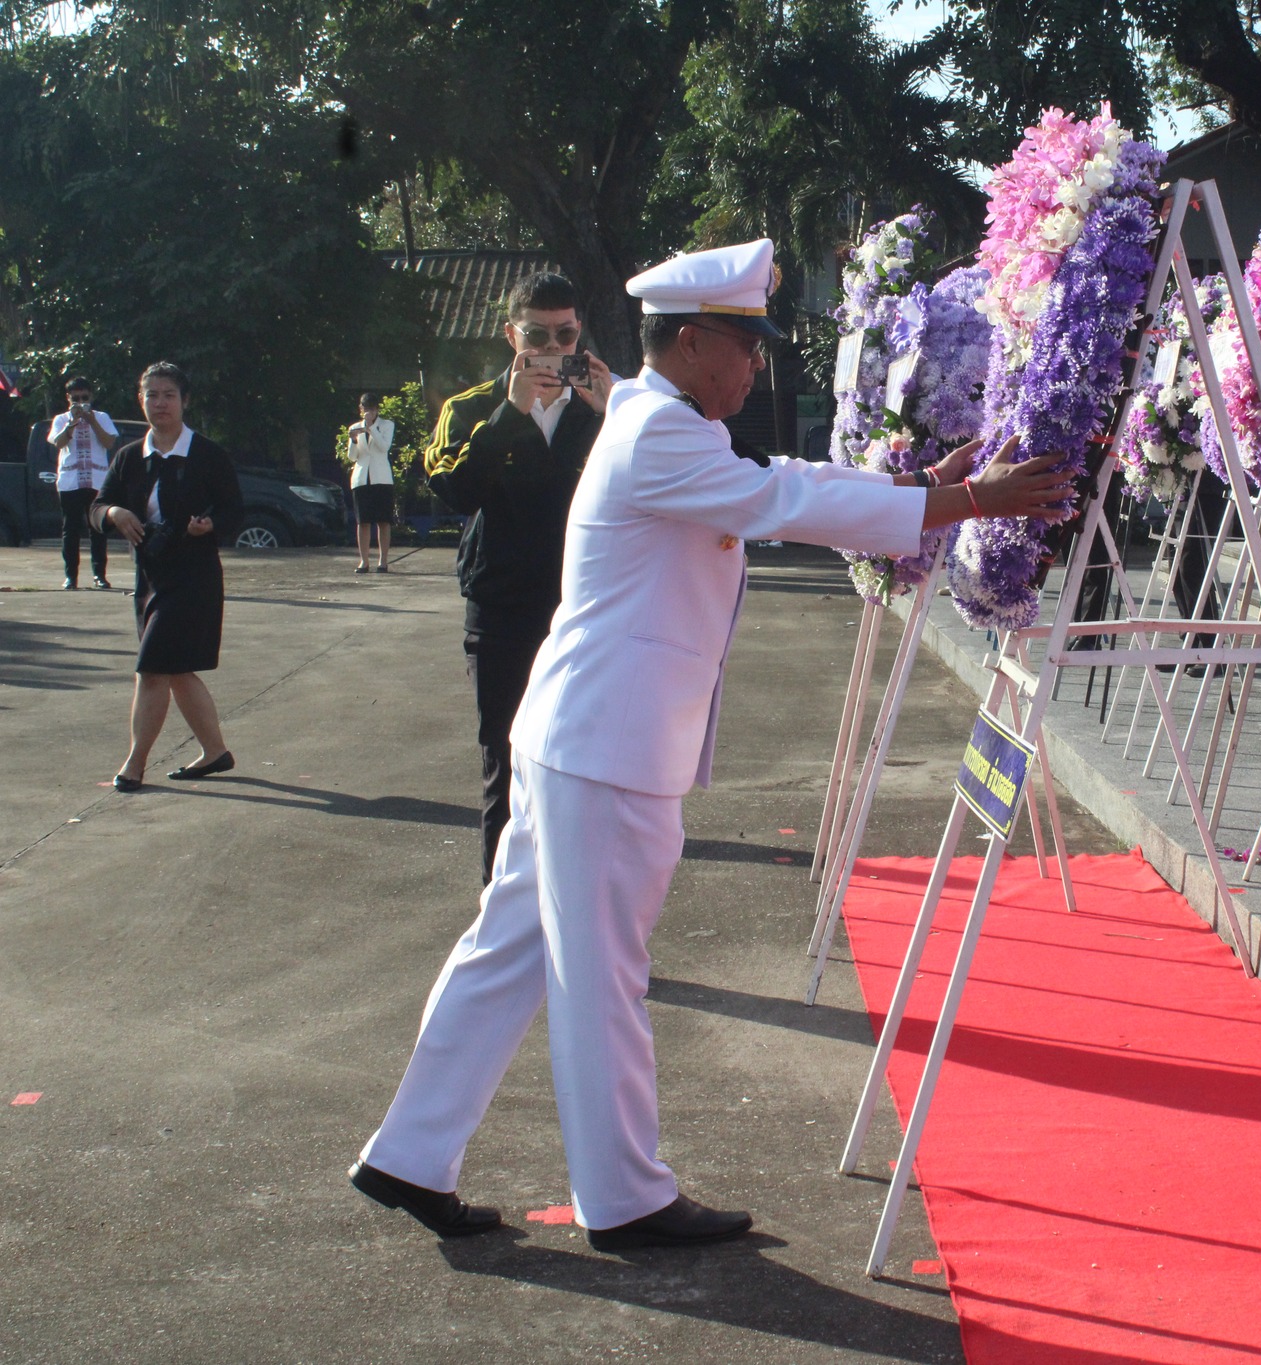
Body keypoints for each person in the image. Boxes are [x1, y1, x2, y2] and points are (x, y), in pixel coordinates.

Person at [349, 239, 1071, 1250]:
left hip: (582, 735)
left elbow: (777, 477)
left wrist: (917, 486)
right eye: (747, 344)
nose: (757, 364)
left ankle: (409, 1155)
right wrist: (963, 501)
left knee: (508, 951)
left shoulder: (661, 421)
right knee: (598, 977)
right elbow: (784, 503)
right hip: (606, 748)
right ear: (691, 343)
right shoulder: (658, 432)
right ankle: (624, 1198)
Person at [424, 272, 613, 881]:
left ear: (580, 332)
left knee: (588, 769)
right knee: (504, 765)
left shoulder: (607, 404)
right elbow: (451, 489)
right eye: (537, 336)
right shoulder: (471, 408)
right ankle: (501, 913)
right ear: (512, 336)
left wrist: (615, 417)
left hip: (586, 611)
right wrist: (511, 413)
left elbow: (656, 486)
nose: (553, 349)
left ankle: (579, 910)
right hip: (502, 610)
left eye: (565, 335)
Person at [92, 362, 244, 791]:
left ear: (184, 401)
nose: (160, 403)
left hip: (194, 577)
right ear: (140, 400)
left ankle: (134, 764)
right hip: (150, 579)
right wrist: (114, 513)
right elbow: (97, 508)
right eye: (152, 395)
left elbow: (234, 511)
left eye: (169, 395)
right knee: (175, 669)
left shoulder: (208, 455)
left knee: (153, 668)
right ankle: (215, 752)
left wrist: (209, 526)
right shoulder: (129, 457)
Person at [49, 376, 119, 590]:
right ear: (68, 398)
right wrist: (72, 422)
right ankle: (71, 577)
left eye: (84, 398)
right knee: (70, 530)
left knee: (98, 529)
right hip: (70, 482)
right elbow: (59, 442)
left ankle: (99, 575)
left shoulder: (102, 417)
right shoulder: (61, 419)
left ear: (91, 397)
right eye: (76, 399)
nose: (80, 403)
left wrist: (91, 420)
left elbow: (109, 442)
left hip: (96, 481)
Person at [344, 393, 396, 574]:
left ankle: (383, 561)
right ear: (361, 409)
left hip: (381, 478)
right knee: (363, 521)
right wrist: (353, 440)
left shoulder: (386, 425)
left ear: (377, 410)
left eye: (372, 410)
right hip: (361, 478)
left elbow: (384, 447)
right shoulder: (354, 427)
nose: (368, 413)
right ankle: (364, 561)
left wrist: (371, 428)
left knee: (383, 521)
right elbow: (352, 457)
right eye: (365, 409)